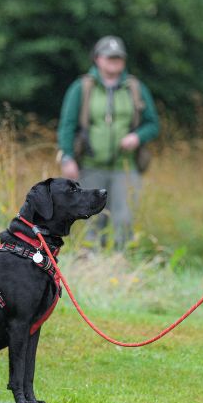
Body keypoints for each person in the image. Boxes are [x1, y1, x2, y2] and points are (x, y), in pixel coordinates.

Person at [56, 36, 159, 248]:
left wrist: (137, 137)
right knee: (90, 220)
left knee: (125, 219)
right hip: (90, 166)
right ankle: (91, 262)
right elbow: (67, 125)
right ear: (97, 59)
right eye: (109, 57)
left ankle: (122, 261)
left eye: (118, 57)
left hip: (126, 166)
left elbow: (152, 124)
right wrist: (67, 157)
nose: (114, 61)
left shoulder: (135, 88)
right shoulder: (82, 87)